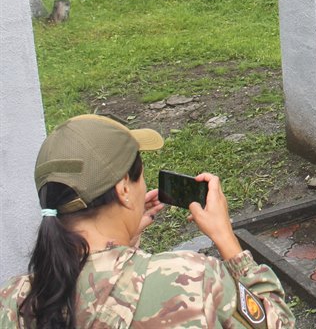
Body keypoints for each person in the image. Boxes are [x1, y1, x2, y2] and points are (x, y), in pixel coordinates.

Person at [0, 114, 295, 328]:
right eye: (140, 176)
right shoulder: (193, 278)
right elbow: (279, 323)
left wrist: (124, 240)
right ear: (123, 190)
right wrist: (227, 239)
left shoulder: (14, 300)